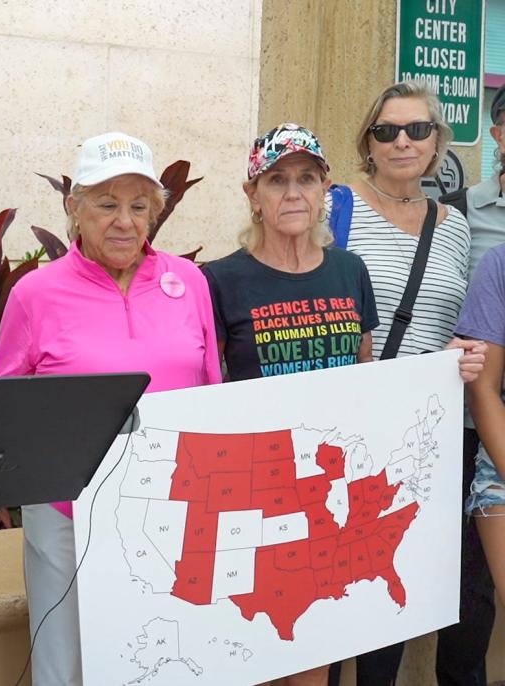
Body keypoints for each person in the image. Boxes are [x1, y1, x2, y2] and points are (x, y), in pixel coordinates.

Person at [0, 131, 222, 685]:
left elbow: (213, 388)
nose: (124, 220)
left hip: (173, 507)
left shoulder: (188, 283)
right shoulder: (36, 294)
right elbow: (3, 404)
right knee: (65, 666)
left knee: (168, 661)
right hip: (68, 512)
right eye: (107, 203)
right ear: (74, 209)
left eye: (139, 206)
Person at [328, 80, 490, 686]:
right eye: (387, 130)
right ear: (368, 142)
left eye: (417, 129)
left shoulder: (452, 225)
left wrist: (463, 352)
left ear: (436, 142)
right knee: (339, 588)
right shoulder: (333, 206)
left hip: (429, 436)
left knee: (394, 585)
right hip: (352, 432)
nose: (403, 141)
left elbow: (460, 317)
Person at [203, 124, 377, 686]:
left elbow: (365, 375)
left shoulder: (350, 271)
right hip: (260, 497)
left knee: (318, 650)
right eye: (276, 180)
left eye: (306, 177)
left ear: (326, 188)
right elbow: (209, 386)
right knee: (261, 646)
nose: (293, 192)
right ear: (252, 194)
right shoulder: (221, 280)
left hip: (333, 494)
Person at [440, 82, 505, 686]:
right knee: (463, 581)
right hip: (464, 419)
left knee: (480, 588)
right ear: (497, 132)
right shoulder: (460, 210)